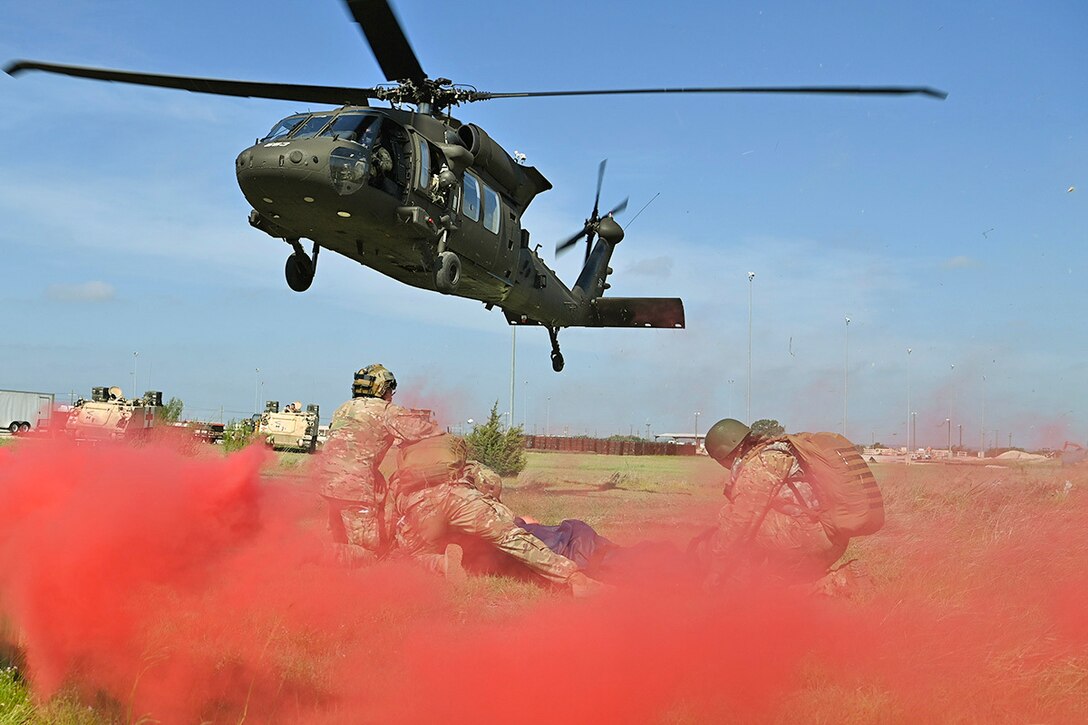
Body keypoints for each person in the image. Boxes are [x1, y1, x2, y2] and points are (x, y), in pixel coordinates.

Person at [698, 418, 884, 586]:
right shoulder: (782, 450)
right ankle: (838, 580)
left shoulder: (761, 463)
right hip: (833, 538)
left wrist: (717, 569)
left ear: (725, 454)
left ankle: (740, 584)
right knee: (782, 581)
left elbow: (742, 521)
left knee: (730, 518)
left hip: (808, 539)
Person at [316, 364, 443, 567]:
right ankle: (309, 553)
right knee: (369, 553)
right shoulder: (387, 412)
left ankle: (325, 563)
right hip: (354, 487)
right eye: (389, 390)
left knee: (340, 539)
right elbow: (424, 432)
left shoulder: (344, 408)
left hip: (326, 481)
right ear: (381, 389)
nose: (391, 395)